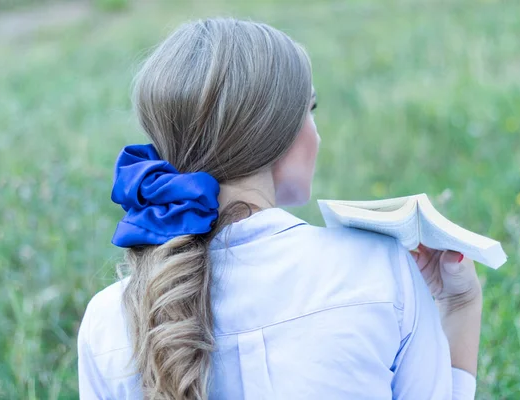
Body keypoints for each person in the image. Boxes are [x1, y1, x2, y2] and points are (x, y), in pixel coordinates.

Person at [77, 18, 483, 399]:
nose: (316, 133)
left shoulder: (107, 320)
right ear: (280, 132)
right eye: (311, 110)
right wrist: (460, 306)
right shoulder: (378, 270)